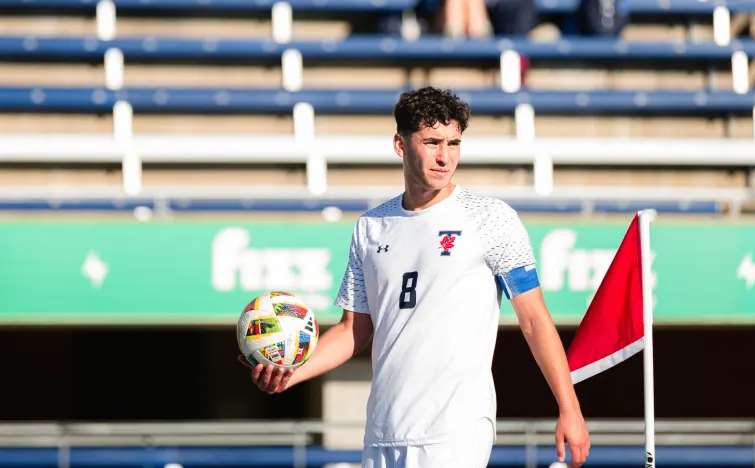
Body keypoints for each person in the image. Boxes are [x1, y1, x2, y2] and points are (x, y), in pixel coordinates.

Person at [238, 86, 590, 468]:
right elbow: (353, 330)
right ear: (400, 144)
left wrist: (569, 406)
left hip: (455, 428)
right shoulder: (370, 227)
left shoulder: (492, 218)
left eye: (454, 143)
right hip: (382, 431)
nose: (445, 156)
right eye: (432, 142)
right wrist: (291, 374)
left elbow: (534, 319)